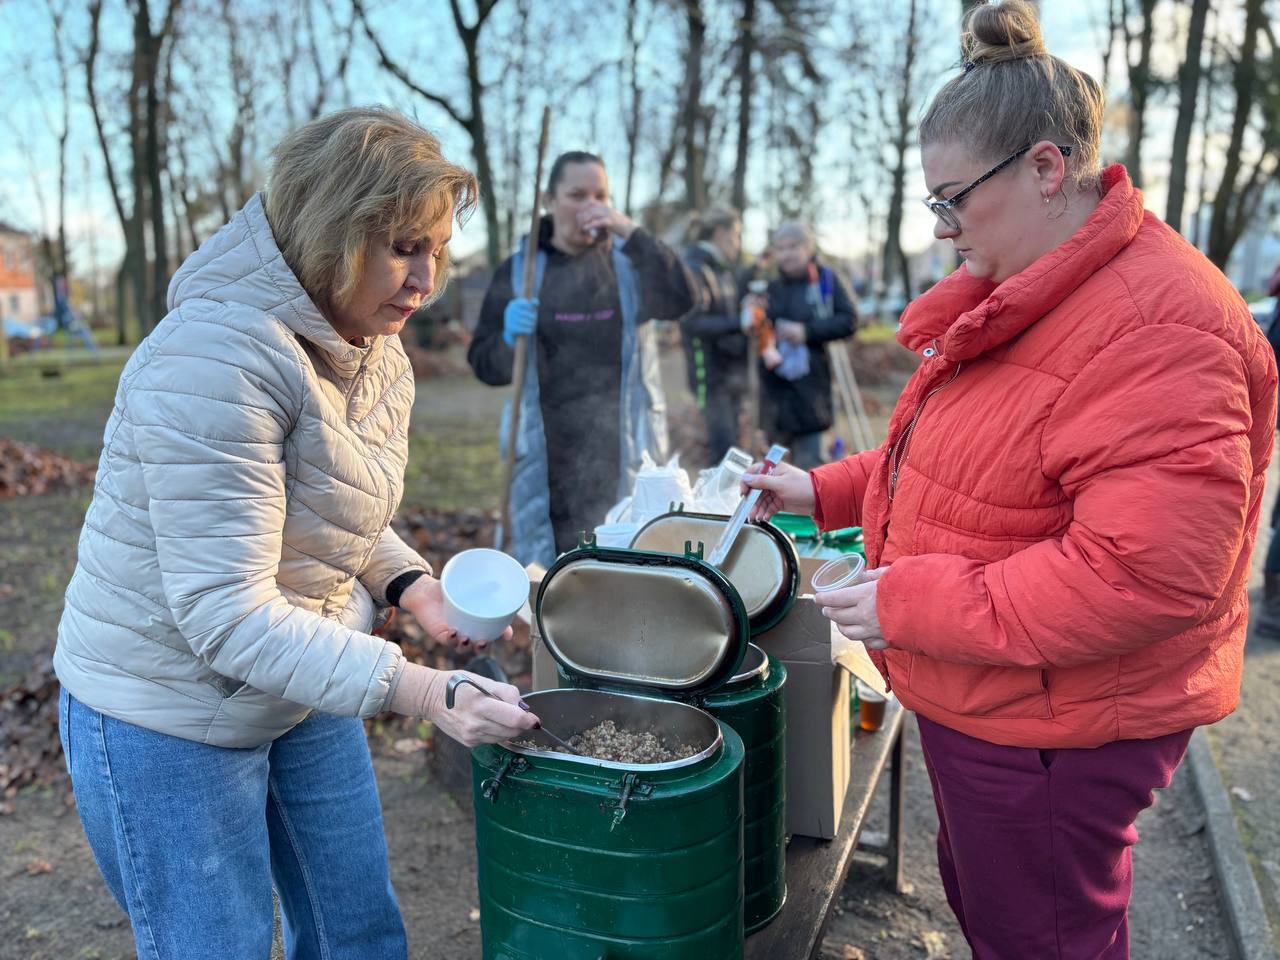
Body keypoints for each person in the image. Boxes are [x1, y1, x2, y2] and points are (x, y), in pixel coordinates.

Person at [742, 4, 1276, 957]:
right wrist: (819, 491)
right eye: (933, 206)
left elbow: (1143, 574)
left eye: (953, 200)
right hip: (1002, 688)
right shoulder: (1038, 287)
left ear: (1045, 167)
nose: (944, 229)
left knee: (1043, 935)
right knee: (995, 907)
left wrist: (910, 603)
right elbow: (956, 463)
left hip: (1059, 719)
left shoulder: (1159, 328)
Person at [53, 107, 539, 960]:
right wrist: (425, 692)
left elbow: (332, 501)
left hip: (299, 670)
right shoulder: (214, 358)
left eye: (434, 249)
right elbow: (224, 613)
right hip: (169, 705)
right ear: (330, 231)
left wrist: (412, 586)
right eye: (400, 246)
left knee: (360, 933)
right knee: (221, 945)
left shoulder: (367, 340)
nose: (424, 278)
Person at [469, 151, 694, 565]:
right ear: (548, 199)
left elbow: (683, 295)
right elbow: (486, 365)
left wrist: (628, 229)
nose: (591, 206)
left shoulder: (628, 268)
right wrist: (506, 336)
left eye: (600, 195)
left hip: (624, 450)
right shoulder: (520, 273)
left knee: (629, 566)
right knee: (552, 574)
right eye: (577, 194)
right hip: (547, 459)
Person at [758, 220, 857, 469]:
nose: (786, 253)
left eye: (793, 246)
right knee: (775, 470)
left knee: (810, 469)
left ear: (808, 248)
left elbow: (850, 320)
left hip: (813, 390)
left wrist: (807, 331)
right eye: (780, 248)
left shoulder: (826, 280)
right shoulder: (771, 285)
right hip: (776, 393)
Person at [679, 205, 750, 464]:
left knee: (733, 450)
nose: (738, 243)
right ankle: (716, 504)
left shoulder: (720, 269)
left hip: (729, 372)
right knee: (723, 451)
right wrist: (739, 323)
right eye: (737, 234)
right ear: (720, 232)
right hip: (709, 374)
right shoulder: (695, 267)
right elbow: (693, 323)